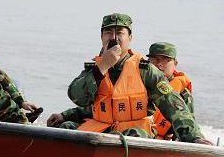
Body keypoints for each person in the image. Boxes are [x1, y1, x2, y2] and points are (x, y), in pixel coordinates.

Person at [48, 13, 211, 144]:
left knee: (133, 136)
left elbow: (173, 104)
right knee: (66, 128)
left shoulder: (145, 70)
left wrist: (194, 137)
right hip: (101, 132)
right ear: (101, 37)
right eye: (108, 33)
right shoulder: (94, 69)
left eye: (119, 33)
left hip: (135, 135)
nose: (114, 38)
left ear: (130, 38)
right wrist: (103, 66)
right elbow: (78, 98)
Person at [147, 42, 194, 140]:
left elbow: (188, 126)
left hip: (162, 144)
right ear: (148, 62)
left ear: (175, 64)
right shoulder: (139, 83)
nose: (159, 64)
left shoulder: (183, 94)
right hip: (137, 135)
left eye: (166, 60)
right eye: (155, 59)